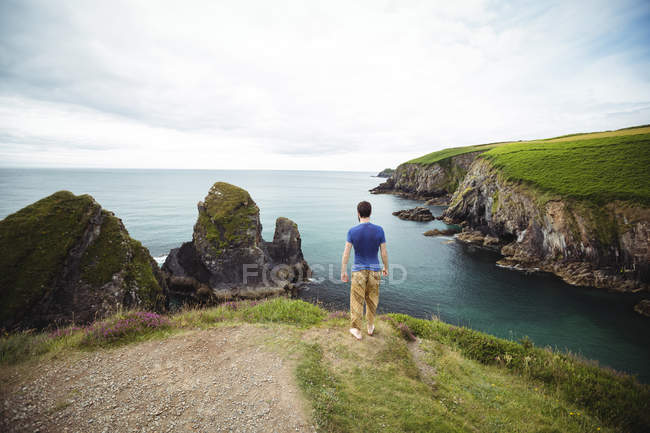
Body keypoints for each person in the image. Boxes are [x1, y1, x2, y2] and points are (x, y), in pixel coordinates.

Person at [341, 200, 388, 340]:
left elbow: (346, 253)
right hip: (375, 271)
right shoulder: (379, 230)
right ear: (370, 213)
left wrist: (343, 271)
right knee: (372, 299)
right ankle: (370, 326)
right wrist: (386, 267)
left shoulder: (352, 231)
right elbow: (384, 253)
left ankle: (356, 330)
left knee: (357, 300)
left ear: (358, 213)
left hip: (358, 271)